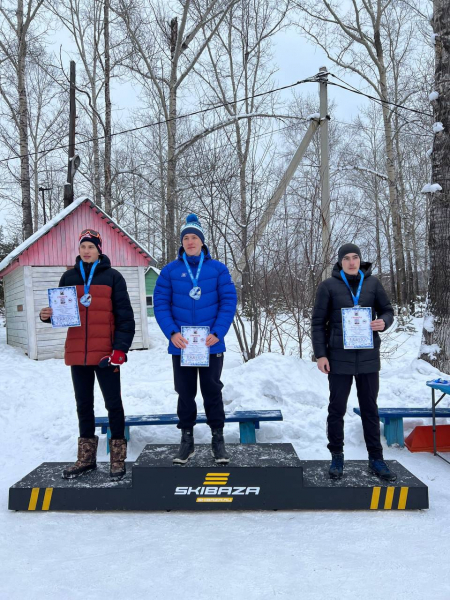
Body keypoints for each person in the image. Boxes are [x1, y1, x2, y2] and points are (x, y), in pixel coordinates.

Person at [40, 229, 135, 480]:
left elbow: (126, 317)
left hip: (106, 354)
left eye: (91, 247)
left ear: (99, 249)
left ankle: (117, 458)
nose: (86, 250)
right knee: (83, 406)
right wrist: (48, 316)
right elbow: (63, 316)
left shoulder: (113, 277)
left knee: (113, 404)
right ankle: (86, 459)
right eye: (83, 246)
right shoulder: (69, 276)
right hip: (78, 354)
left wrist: (120, 350)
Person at [154, 214, 237, 465]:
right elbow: (160, 304)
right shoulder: (170, 271)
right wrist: (172, 333)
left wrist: (218, 332)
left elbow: (228, 302)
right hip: (182, 346)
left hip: (211, 344)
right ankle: (187, 440)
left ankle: (217, 439)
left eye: (194, 237)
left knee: (212, 391)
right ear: (182, 242)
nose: (190, 242)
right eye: (186, 238)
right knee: (185, 392)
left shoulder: (218, 269)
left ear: (202, 242)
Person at [312, 243, 396, 481]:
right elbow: (318, 323)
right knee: (336, 409)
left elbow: (388, 310)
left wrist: (384, 322)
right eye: (346, 258)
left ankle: (376, 459)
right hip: (338, 358)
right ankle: (337, 456)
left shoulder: (373, 284)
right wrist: (321, 355)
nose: (351, 262)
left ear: (360, 260)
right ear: (340, 262)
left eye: (355, 257)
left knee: (370, 409)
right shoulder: (328, 286)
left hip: (368, 358)